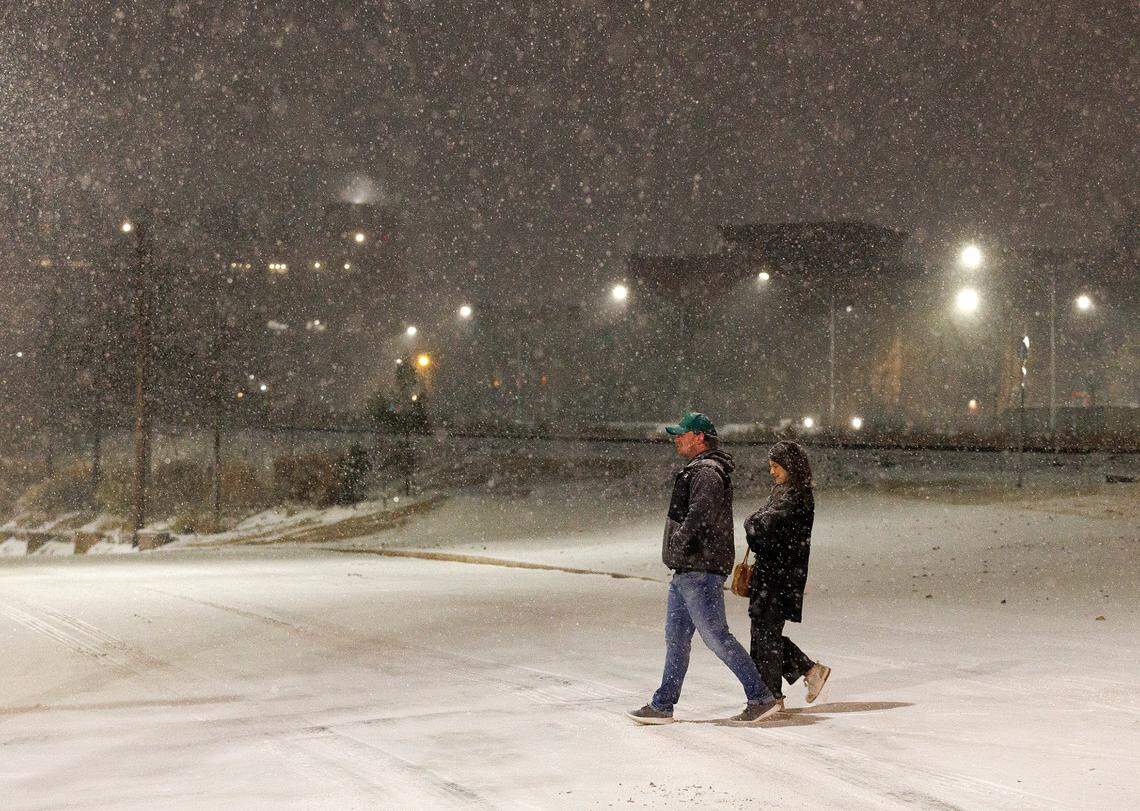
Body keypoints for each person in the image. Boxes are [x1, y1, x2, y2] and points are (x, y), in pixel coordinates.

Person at [628, 412, 782, 725]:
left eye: (682, 434)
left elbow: (699, 515)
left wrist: (679, 542)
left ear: (699, 437)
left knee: (716, 637)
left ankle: (761, 697)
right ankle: (663, 705)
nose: (676, 439)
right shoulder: (700, 469)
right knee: (676, 638)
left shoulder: (708, 472)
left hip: (700, 567)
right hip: (686, 569)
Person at [744, 440, 830, 706]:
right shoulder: (785, 493)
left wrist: (752, 523)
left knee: (765, 637)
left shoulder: (795, 497)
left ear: (791, 466)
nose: (772, 471)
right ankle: (808, 672)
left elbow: (761, 527)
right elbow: (760, 527)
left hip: (779, 577)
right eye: (771, 466)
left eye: (776, 466)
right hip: (773, 575)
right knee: (763, 635)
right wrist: (755, 525)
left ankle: (772, 696)